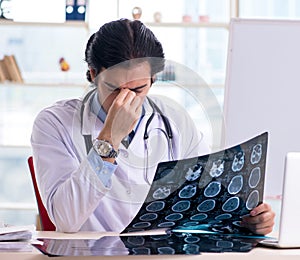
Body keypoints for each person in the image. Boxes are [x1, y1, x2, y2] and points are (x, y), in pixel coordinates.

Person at [31, 18, 275, 234]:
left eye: (138, 89)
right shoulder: (54, 123)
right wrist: (108, 140)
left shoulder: (175, 120)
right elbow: (65, 220)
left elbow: (203, 203)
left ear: (153, 79)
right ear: (94, 74)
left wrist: (243, 220)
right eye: (114, 89)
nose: (124, 101)